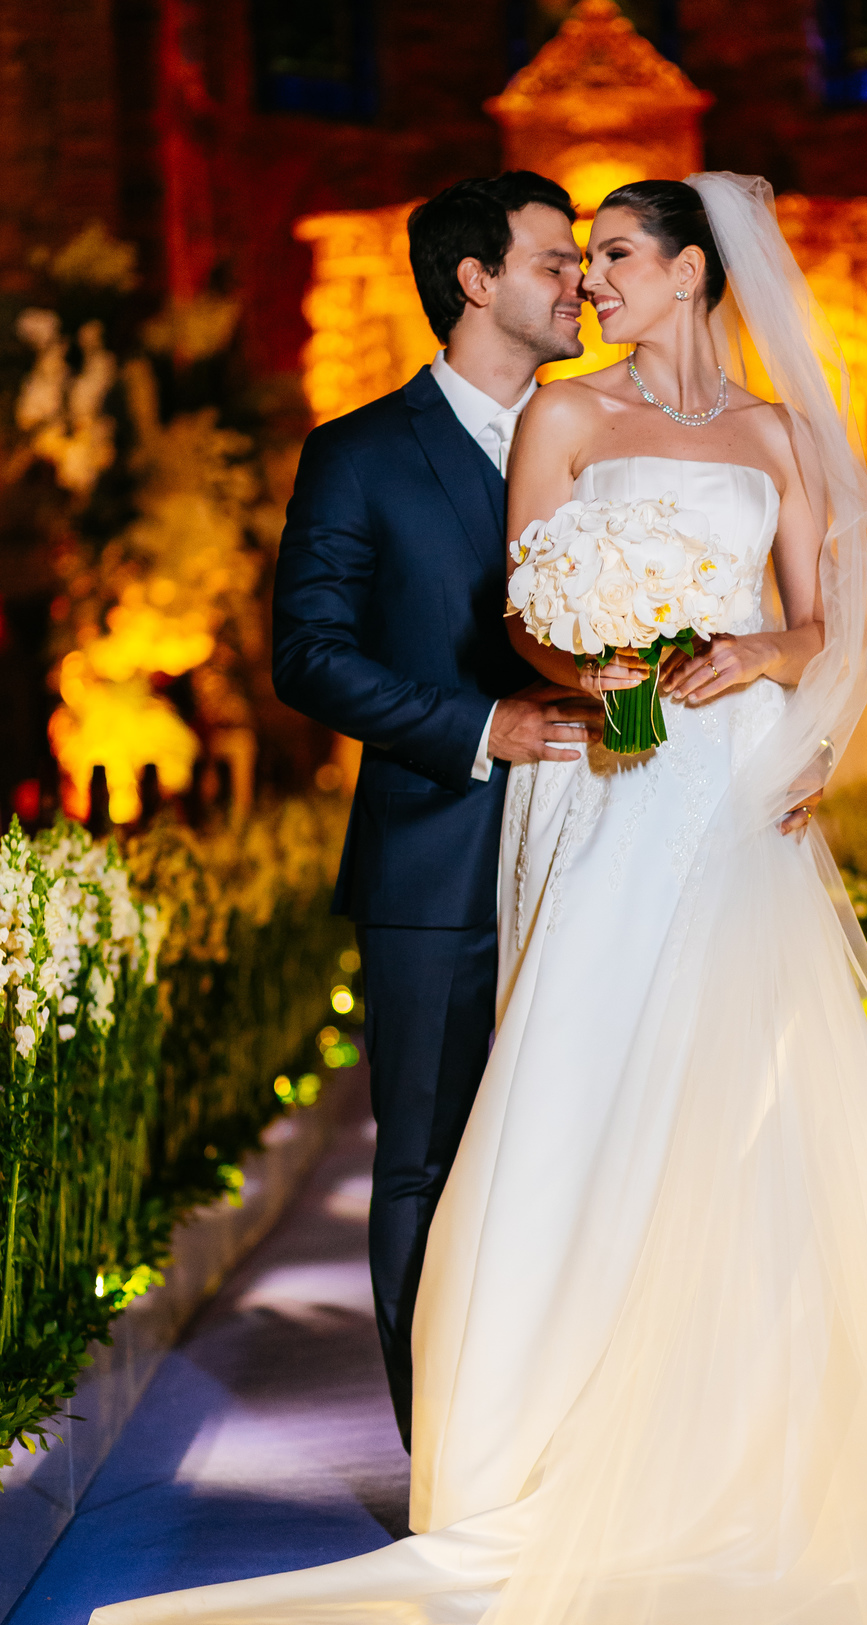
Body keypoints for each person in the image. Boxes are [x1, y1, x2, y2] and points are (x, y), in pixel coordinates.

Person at [68, 176, 867, 1625]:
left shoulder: (778, 432)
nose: (590, 277)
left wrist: (769, 669)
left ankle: (766, 1449)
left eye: (611, 254)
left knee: (756, 1101)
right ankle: (526, 1461)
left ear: (690, 271)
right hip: (607, 779)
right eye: (572, 254)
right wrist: (594, 663)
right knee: (576, 1085)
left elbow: (825, 618)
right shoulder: (564, 413)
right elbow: (526, 609)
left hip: (733, 788)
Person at [271, 172, 602, 1451]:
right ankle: (447, 1462)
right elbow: (309, 655)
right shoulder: (359, 453)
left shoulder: (611, 446)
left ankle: (571, 1442)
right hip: (434, 855)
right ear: (476, 279)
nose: (580, 282)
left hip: (600, 848)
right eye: (554, 261)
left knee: (588, 1149)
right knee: (426, 1157)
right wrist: (478, 726)